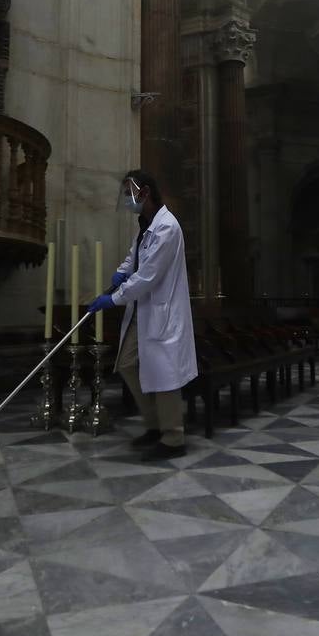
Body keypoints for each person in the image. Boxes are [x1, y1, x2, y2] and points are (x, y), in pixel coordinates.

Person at [85, 170, 198, 460]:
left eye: (129, 193)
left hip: (161, 311)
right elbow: (134, 257)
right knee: (126, 363)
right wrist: (122, 271)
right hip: (142, 310)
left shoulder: (167, 228)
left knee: (165, 375)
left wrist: (113, 299)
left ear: (144, 192)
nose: (126, 199)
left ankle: (173, 438)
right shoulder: (145, 225)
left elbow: (148, 275)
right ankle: (155, 425)